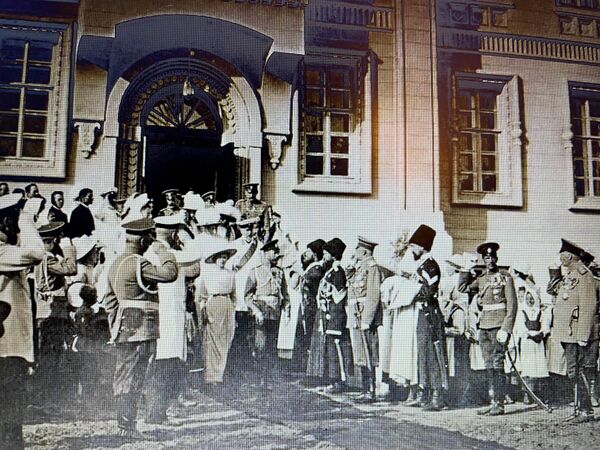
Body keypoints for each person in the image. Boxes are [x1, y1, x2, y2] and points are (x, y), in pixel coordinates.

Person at [103, 217, 178, 439]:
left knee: (124, 375)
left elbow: (109, 301)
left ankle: (124, 423)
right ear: (145, 240)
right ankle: (127, 426)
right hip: (140, 329)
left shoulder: (116, 263)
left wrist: (116, 325)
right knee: (134, 377)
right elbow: (170, 273)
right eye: (150, 238)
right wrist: (162, 250)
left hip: (124, 327)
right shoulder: (138, 263)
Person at [144, 214, 202, 424]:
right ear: (173, 232)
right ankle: (156, 413)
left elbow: (194, 269)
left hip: (169, 315)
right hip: (167, 316)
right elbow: (196, 259)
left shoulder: (158, 252)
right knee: (165, 364)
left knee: (167, 364)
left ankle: (159, 411)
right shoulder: (165, 253)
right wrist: (186, 238)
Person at [0, 194, 45, 449]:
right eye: (14, 220)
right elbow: (37, 253)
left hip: (10, 344)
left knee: (11, 406)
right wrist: (26, 220)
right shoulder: (2, 250)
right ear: (7, 221)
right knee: (9, 406)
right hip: (5, 345)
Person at [459, 242, 517, 416]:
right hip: (484, 326)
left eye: (492, 257)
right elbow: (462, 288)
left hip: (499, 326)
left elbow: (512, 305)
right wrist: (465, 269)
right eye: (486, 258)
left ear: (496, 258)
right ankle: (492, 402)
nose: (489, 261)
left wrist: (506, 328)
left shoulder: (505, 277)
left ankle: (499, 404)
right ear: (483, 260)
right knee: (488, 365)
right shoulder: (481, 278)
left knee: (498, 365)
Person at [551, 239, 598, 423]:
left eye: (562, 255)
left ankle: (585, 411)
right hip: (568, 333)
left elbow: (588, 305)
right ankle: (579, 409)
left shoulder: (583, 274)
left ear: (569, 256)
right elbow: (555, 292)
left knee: (580, 371)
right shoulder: (570, 275)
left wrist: (583, 335)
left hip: (577, 333)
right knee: (573, 371)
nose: (560, 257)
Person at [33, 221, 77, 410]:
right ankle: (45, 400)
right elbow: (71, 269)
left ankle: (44, 399)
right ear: (52, 241)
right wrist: (68, 247)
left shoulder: (40, 257)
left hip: (47, 311)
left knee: (50, 356)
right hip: (52, 313)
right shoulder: (48, 259)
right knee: (51, 357)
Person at [402, 225, 446, 412]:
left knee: (431, 354)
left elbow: (429, 291)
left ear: (422, 246)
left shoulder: (431, 266)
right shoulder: (421, 265)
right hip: (420, 313)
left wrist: (409, 293)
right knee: (421, 354)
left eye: (413, 246)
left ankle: (437, 396)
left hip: (429, 314)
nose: (411, 249)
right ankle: (424, 391)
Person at [245, 240, 289, 387]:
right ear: (265, 253)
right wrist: (256, 311)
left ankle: (269, 380)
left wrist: (286, 308)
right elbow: (247, 296)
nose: (276, 253)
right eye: (273, 251)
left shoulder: (280, 272)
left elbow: (284, 294)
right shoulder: (255, 271)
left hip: (274, 313)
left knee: (271, 347)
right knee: (260, 347)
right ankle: (259, 379)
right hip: (261, 313)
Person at [346, 236, 383, 403]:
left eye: (357, 249)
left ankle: (371, 391)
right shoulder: (359, 266)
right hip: (356, 314)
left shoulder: (372, 267)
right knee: (360, 353)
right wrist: (351, 266)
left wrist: (367, 319)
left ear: (364, 251)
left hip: (364, 315)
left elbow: (373, 294)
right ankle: (364, 388)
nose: (355, 251)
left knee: (369, 353)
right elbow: (350, 283)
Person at [196, 248, 237, 388]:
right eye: (220, 258)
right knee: (213, 340)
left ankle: (221, 373)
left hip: (227, 306)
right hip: (213, 305)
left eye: (225, 257)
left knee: (226, 339)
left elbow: (234, 295)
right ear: (215, 260)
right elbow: (202, 295)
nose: (222, 260)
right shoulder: (208, 274)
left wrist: (232, 309)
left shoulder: (231, 274)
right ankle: (211, 376)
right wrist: (203, 310)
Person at [227, 217, 261, 379]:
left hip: (251, 292)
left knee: (251, 331)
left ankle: (248, 364)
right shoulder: (233, 246)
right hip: (237, 290)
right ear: (240, 229)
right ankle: (235, 365)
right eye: (244, 228)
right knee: (237, 331)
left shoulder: (258, 246)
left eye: (250, 228)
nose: (248, 231)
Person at [319, 237, 352, 393]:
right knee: (331, 349)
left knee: (336, 349)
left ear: (333, 255)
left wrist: (334, 320)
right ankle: (334, 380)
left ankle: (339, 381)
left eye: (326, 253)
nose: (324, 256)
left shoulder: (338, 273)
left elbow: (339, 298)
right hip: (328, 315)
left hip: (335, 316)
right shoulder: (331, 272)